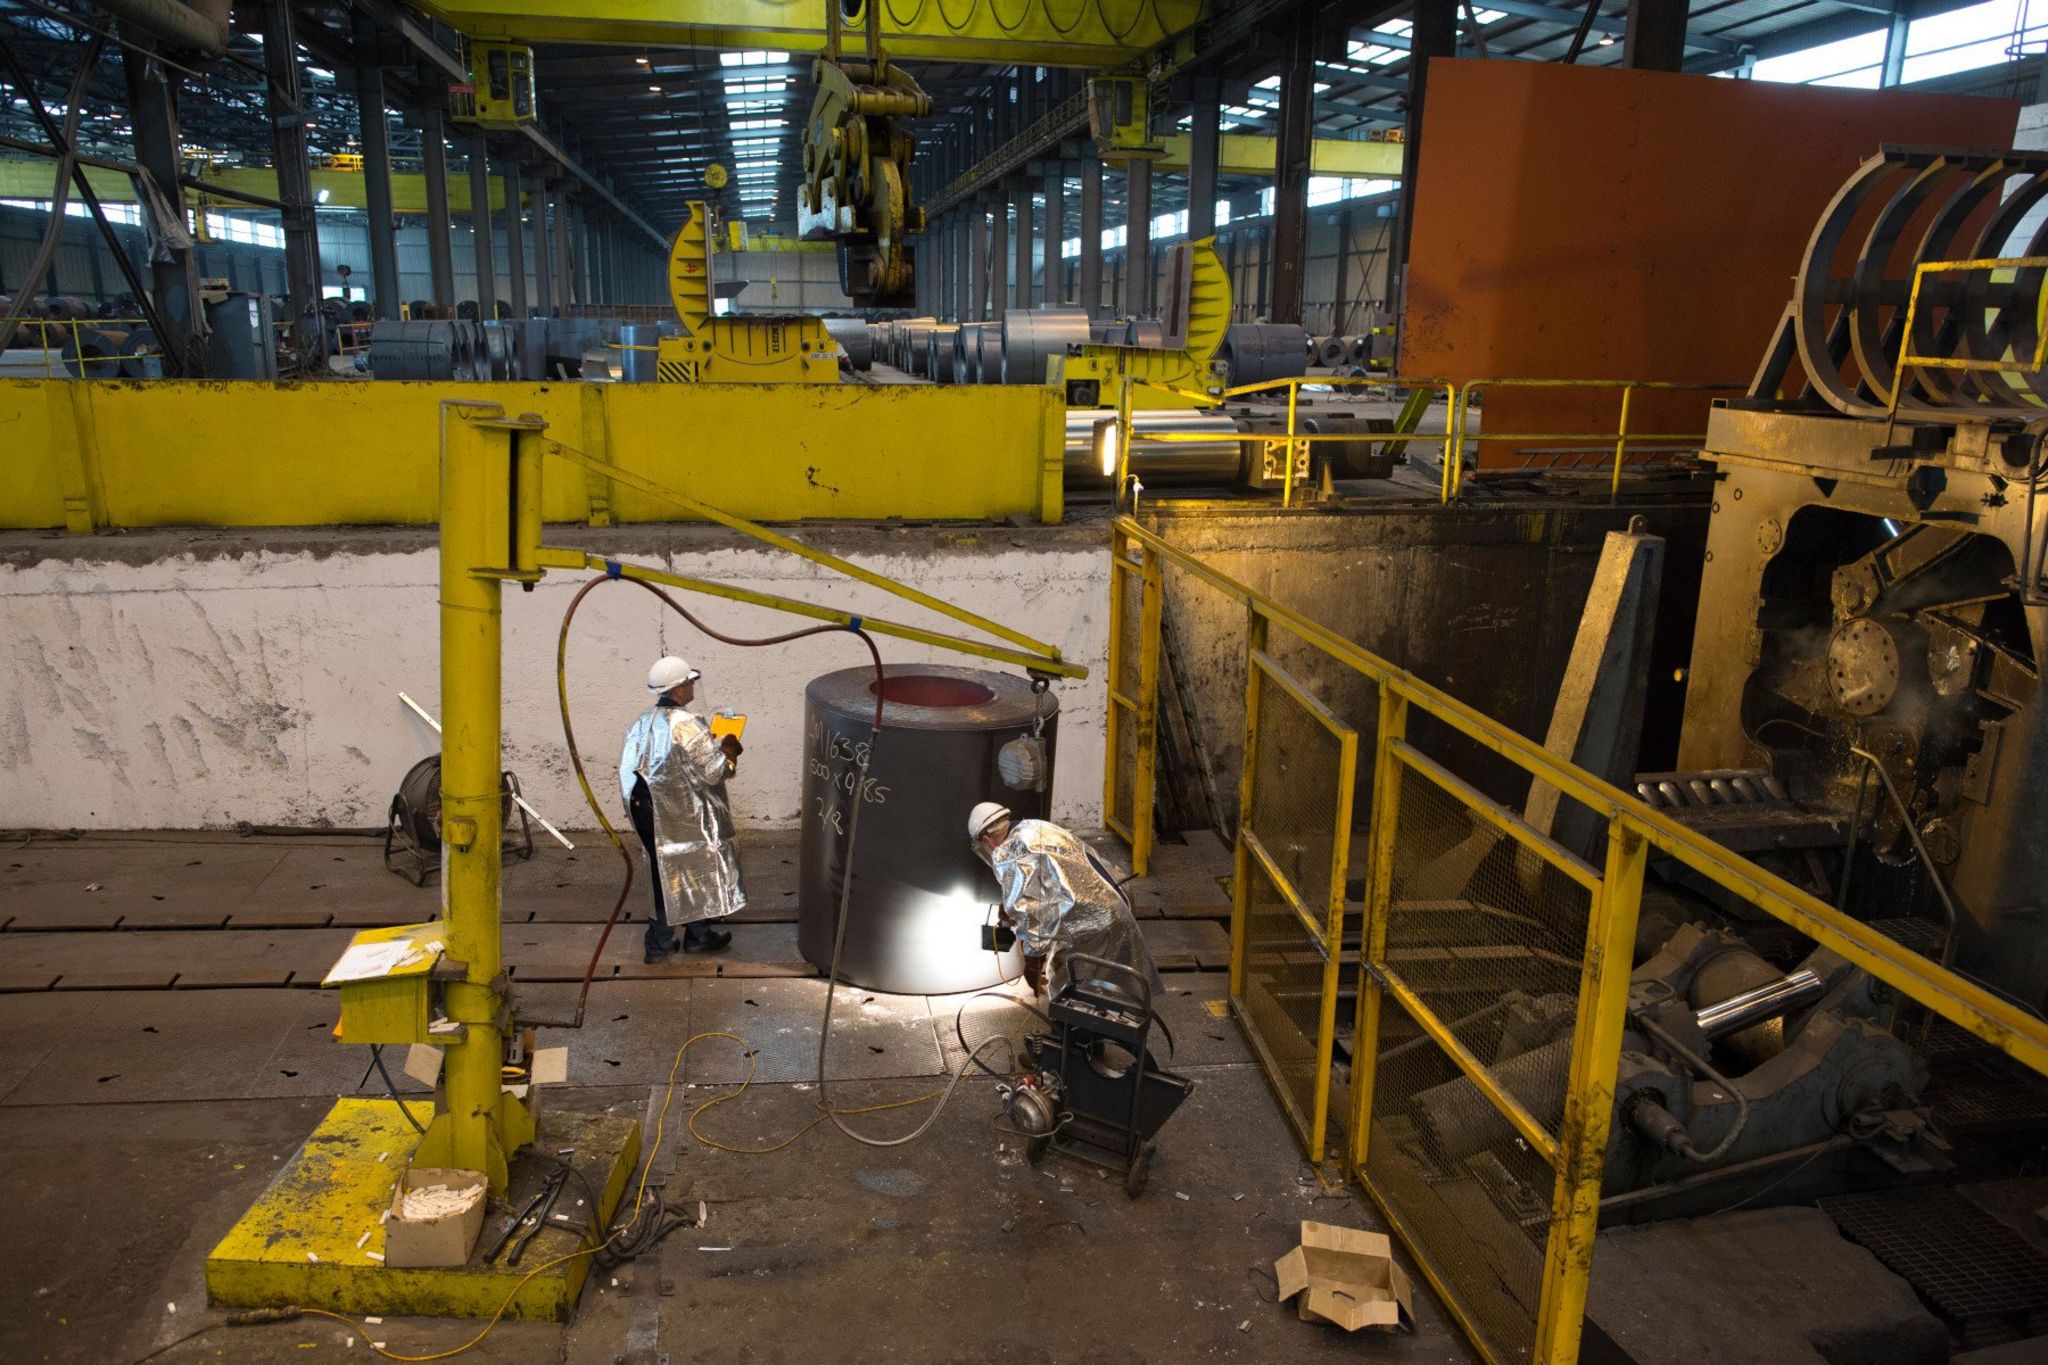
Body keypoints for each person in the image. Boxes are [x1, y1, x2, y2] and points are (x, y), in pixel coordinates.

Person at [620, 655, 744, 962]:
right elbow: (715, 772)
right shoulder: (686, 724)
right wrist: (729, 752)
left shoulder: (642, 720)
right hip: (674, 815)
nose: (692, 686)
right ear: (678, 689)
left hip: (645, 809)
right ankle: (659, 945)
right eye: (690, 681)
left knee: (670, 868)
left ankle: (697, 935)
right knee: (680, 870)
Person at [969, 802, 1162, 1000]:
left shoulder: (1008, 853)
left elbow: (1032, 914)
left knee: (1072, 995)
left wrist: (1032, 961)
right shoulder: (1033, 827)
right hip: (1115, 901)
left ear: (987, 840)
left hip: (1092, 924)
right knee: (1113, 989)